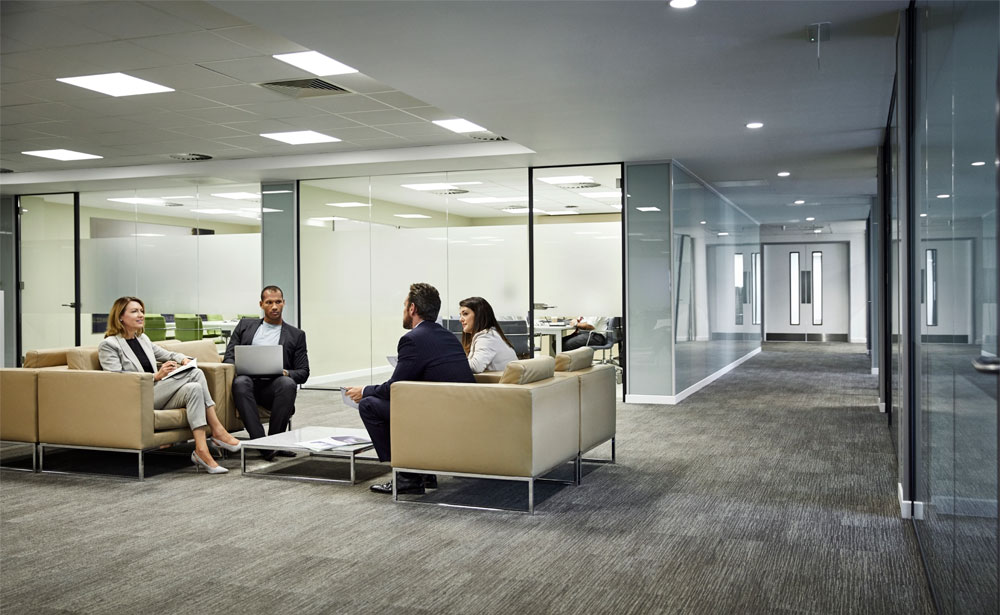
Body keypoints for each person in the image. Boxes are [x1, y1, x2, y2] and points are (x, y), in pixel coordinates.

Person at [345, 282, 475, 495]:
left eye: (405, 306)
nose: (404, 311)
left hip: (442, 416)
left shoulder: (412, 339)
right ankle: (424, 473)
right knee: (399, 405)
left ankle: (406, 477)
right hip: (460, 411)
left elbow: (394, 389)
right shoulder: (448, 337)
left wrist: (364, 391)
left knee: (369, 405)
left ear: (412, 308)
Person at [98, 296, 241, 475]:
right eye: (134, 311)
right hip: (136, 398)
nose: (141, 315)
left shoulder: (142, 339)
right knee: (195, 373)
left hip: (156, 394)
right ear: (120, 317)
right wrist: (156, 376)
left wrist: (182, 359)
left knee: (194, 388)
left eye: (142, 311)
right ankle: (218, 430)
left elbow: (167, 353)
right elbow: (116, 380)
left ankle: (201, 450)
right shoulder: (110, 345)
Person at [223, 285, 310, 461]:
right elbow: (229, 357)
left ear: (284, 303)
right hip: (247, 385)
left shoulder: (296, 335)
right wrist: (239, 367)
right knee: (241, 382)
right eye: (269, 302)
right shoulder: (244, 326)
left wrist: (285, 373)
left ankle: (274, 442)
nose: (274, 306)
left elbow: (304, 372)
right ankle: (264, 444)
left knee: (287, 384)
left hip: (273, 388)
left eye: (278, 302)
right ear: (261, 304)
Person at [458, 296, 517, 373]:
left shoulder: (486, 337)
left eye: (465, 314)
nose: (460, 319)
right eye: (460, 315)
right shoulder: (491, 334)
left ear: (479, 315)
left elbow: (475, 367)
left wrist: (451, 361)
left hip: (499, 384)